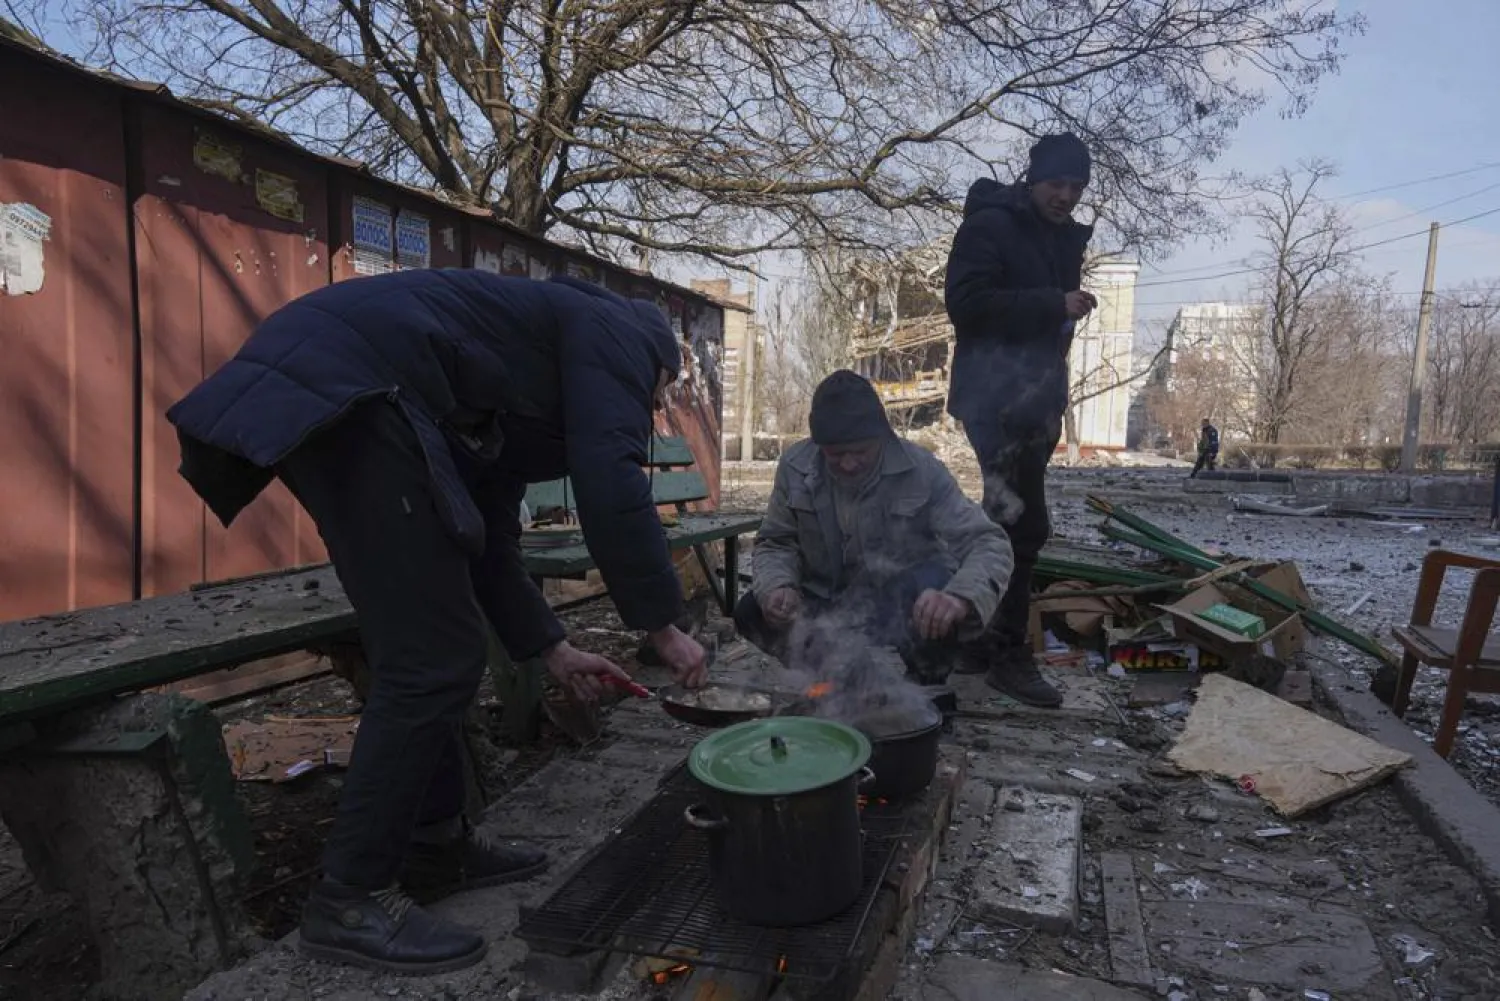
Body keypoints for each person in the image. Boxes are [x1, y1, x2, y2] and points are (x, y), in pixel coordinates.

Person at [167, 269, 709, 974]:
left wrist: (553, 649)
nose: (655, 405)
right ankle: (350, 896)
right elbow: (613, 475)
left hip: (346, 384)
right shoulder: (621, 333)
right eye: (660, 393)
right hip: (356, 387)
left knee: (440, 643)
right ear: (658, 362)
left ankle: (433, 847)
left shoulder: (527, 369)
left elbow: (489, 536)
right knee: (430, 654)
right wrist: (663, 626)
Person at [942, 132, 1096, 708]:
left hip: (1036, 399)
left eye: (1077, 186)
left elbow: (1040, 318)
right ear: (1033, 178)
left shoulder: (1060, 238)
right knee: (1022, 524)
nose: (1067, 195)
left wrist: (1067, 309)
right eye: (1058, 182)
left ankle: (976, 640)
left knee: (1001, 521)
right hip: (993, 398)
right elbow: (966, 304)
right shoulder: (990, 225)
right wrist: (1051, 303)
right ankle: (1006, 651)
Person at [736, 370, 1013, 683]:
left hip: (894, 604)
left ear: (882, 438)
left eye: (861, 452)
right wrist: (777, 586)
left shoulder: (921, 470)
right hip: (827, 602)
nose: (849, 463)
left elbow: (988, 543)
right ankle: (839, 684)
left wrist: (959, 597)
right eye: (836, 454)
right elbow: (776, 542)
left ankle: (926, 691)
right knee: (752, 610)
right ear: (819, 445)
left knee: (933, 592)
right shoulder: (795, 466)